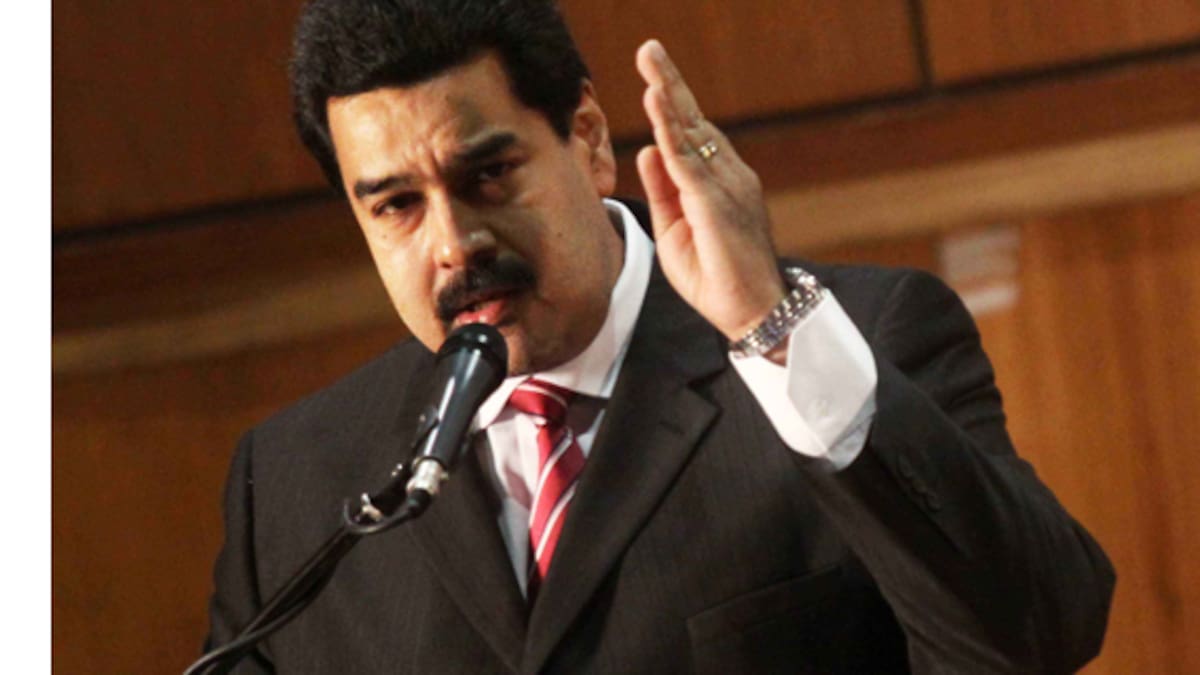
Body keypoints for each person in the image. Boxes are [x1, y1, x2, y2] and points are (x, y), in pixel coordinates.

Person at [205, 0, 1115, 672]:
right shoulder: (294, 481)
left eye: (488, 175)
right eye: (397, 205)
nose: (454, 244)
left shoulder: (857, 341)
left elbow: (1034, 637)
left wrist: (767, 326)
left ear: (589, 139)